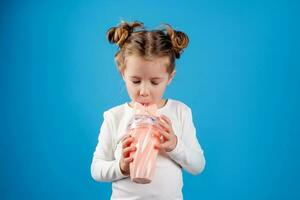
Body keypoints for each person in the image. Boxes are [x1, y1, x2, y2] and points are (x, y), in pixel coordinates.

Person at [90, 20, 206, 200]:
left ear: (169, 77)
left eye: (154, 82)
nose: (144, 91)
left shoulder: (180, 112)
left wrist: (175, 145)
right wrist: (121, 167)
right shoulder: (114, 117)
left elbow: (198, 165)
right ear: (123, 74)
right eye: (135, 81)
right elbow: (96, 169)